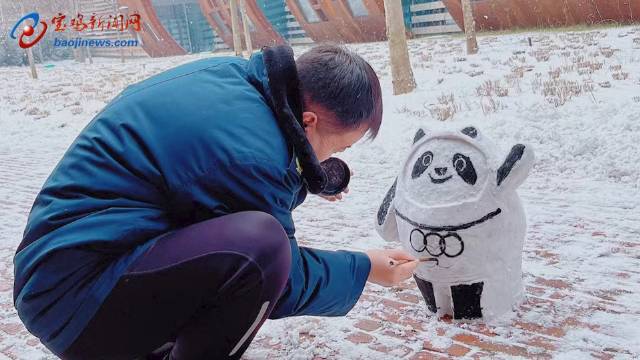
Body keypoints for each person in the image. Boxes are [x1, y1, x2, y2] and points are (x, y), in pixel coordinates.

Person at [13, 44, 417, 360]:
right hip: (78, 307)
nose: (330, 159)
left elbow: (218, 177)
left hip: (60, 273)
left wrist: (313, 175)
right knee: (263, 248)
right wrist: (365, 268)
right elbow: (284, 279)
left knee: (250, 240)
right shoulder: (251, 154)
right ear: (308, 121)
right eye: (337, 147)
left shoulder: (236, 81)